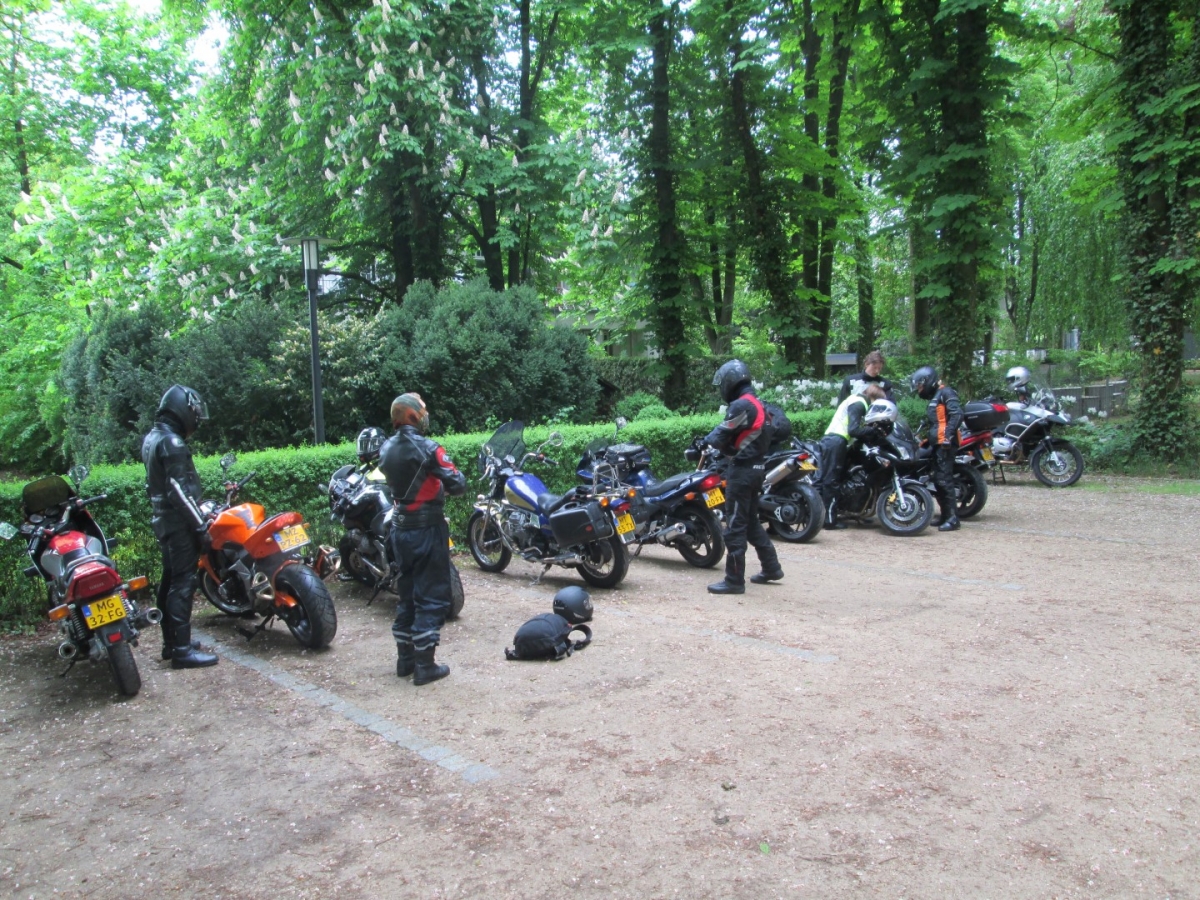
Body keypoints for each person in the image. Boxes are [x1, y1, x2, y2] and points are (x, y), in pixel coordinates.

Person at [377, 392, 466, 685]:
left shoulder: (386, 448)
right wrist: (441, 485)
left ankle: (405, 660)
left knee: (407, 593)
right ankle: (425, 666)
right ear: (413, 415)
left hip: (399, 529)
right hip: (427, 528)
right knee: (432, 597)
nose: (426, 415)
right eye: (423, 410)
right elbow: (458, 483)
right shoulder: (428, 448)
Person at [141, 385, 219, 669]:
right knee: (183, 583)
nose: (196, 419)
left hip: (164, 521)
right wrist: (200, 527)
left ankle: (171, 643)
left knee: (170, 580)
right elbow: (177, 490)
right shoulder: (172, 442)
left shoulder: (153, 437)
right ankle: (182, 651)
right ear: (183, 411)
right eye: (194, 413)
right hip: (177, 524)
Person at [703, 360, 783, 595]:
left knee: (735, 526)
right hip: (757, 469)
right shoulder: (759, 403)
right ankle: (771, 567)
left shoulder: (742, 405)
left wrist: (705, 442)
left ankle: (734, 580)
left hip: (742, 472)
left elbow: (720, 434)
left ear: (730, 381)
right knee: (750, 522)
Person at [815, 384, 887, 529]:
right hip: (836, 441)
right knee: (831, 480)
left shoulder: (855, 400)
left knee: (835, 478)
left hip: (834, 441)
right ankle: (829, 521)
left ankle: (844, 513)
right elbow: (853, 430)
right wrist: (874, 431)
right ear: (873, 398)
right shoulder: (859, 404)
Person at [911, 366, 963, 532]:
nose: (919, 389)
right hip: (937, 443)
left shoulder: (946, 392)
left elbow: (957, 414)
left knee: (944, 479)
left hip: (946, 444)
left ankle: (953, 519)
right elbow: (937, 421)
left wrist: (948, 436)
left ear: (928, 381)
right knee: (937, 479)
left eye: (920, 385)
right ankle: (945, 515)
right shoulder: (936, 396)